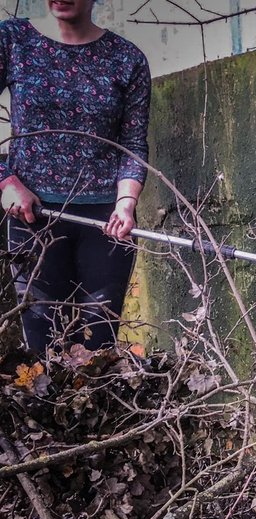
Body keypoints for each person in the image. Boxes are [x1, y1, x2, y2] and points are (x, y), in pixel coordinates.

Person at [0, 0, 150, 353]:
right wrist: (6, 180)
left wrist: (126, 204)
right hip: (32, 215)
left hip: (104, 222)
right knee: (42, 344)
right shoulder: (14, 40)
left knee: (98, 345)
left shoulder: (127, 59)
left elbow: (132, 144)